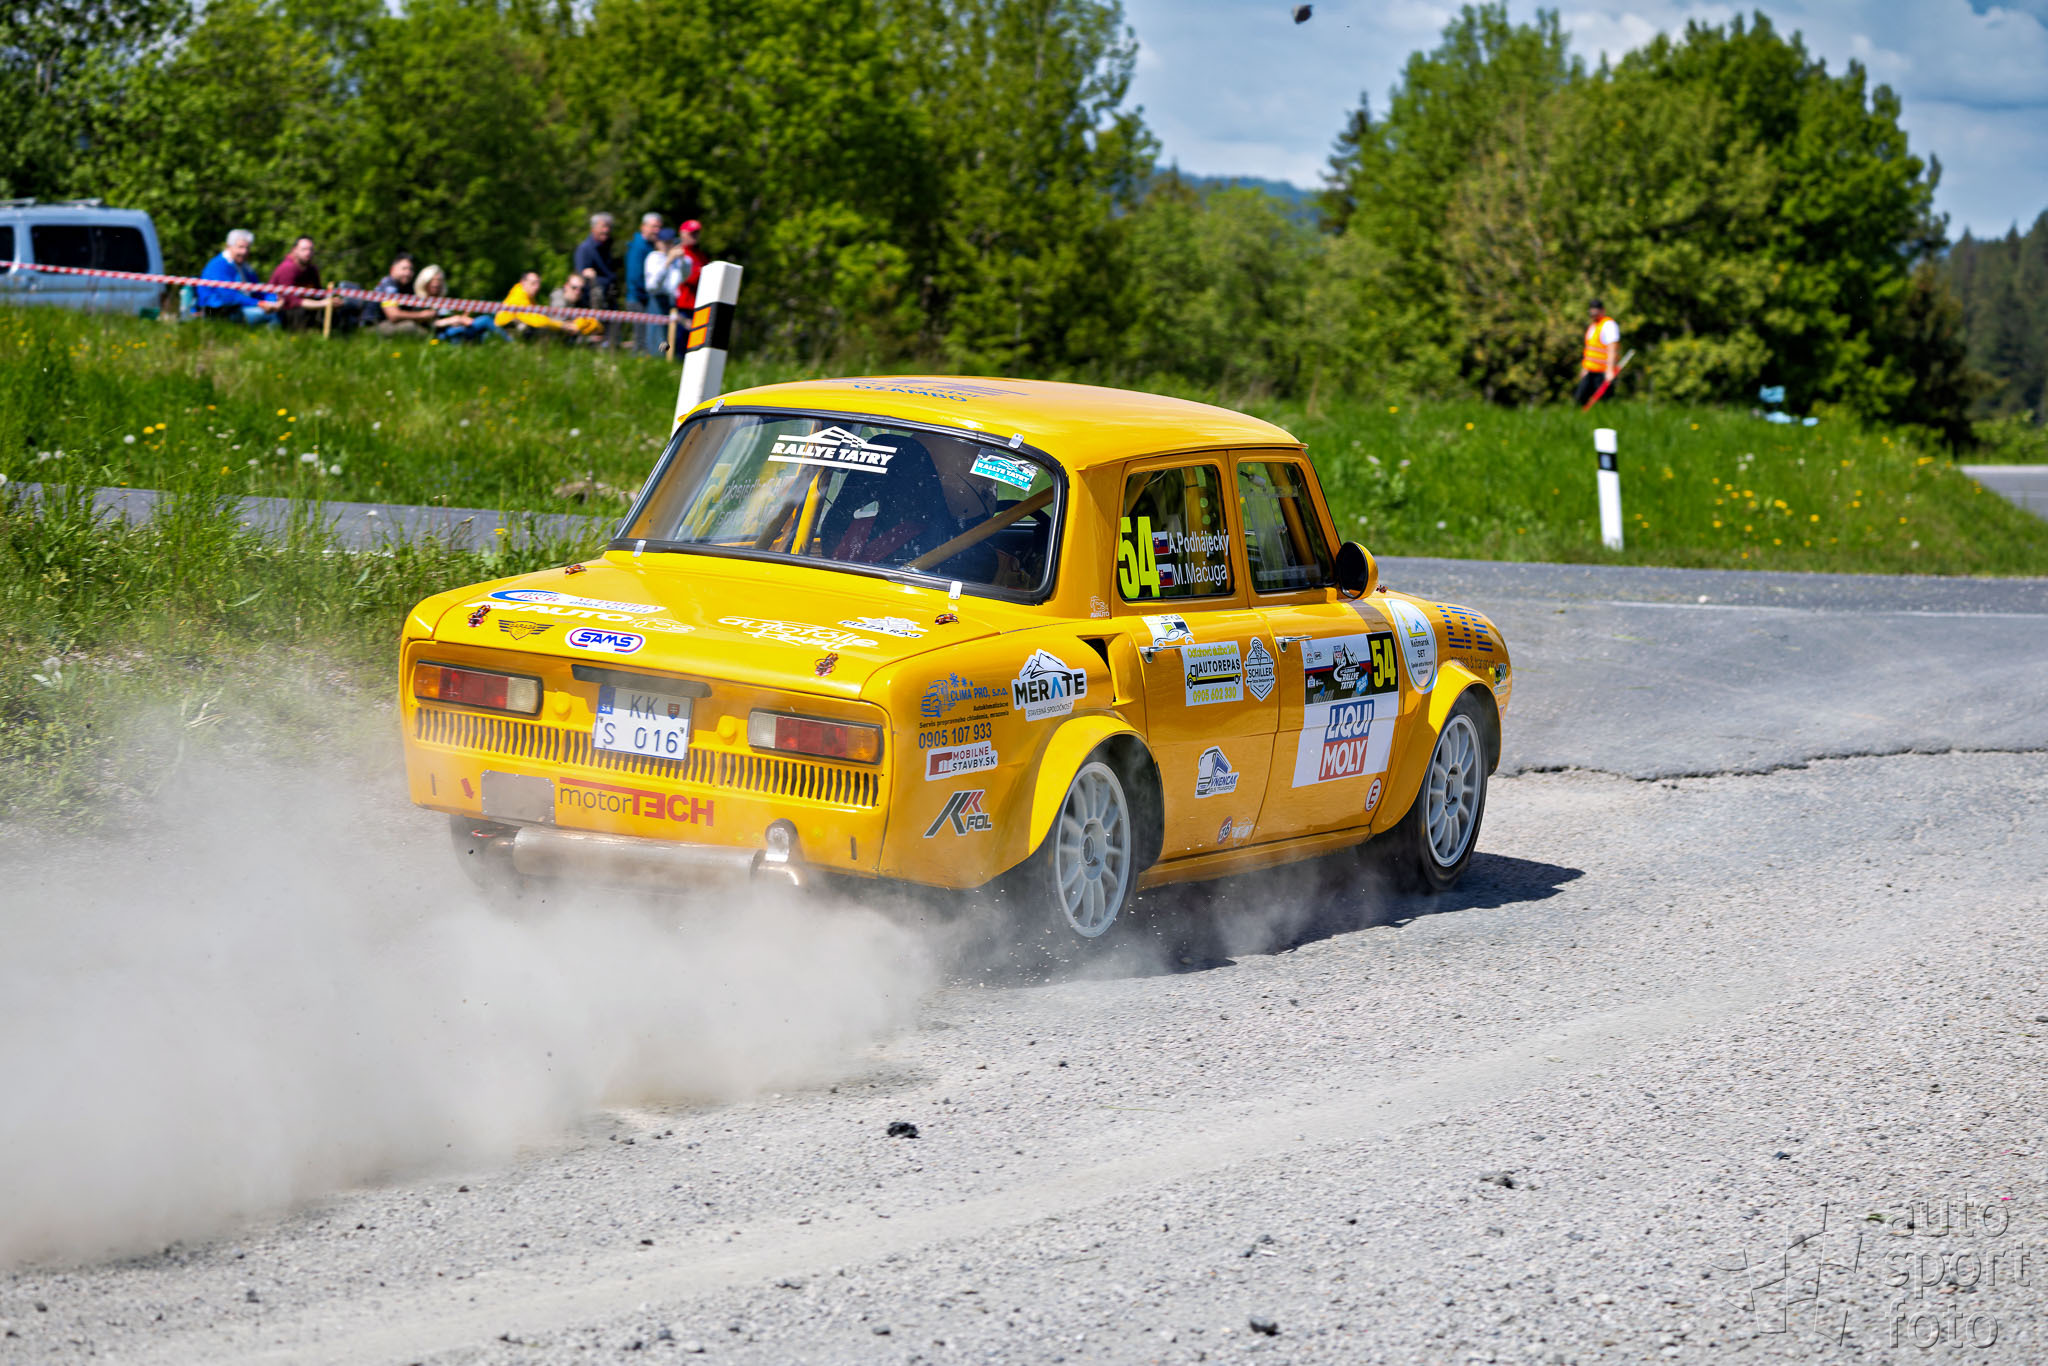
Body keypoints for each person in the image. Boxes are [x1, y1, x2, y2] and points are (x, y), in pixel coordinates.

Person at [196, 230, 280, 325]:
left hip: (240, 308)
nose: (244, 251)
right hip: (218, 311)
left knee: (277, 311)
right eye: (240, 247)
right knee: (272, 315)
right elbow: (230, 296)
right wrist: (260, 303)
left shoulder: (245, 267)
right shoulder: (218, 265)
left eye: (247, 248)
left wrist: (273, 301)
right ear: (228, 247)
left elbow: (258, 289)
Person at [413, 264, 502, 344]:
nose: (436, 284)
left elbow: (448, 318)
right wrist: (454, 320)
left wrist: (461, 318)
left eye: (439, 280)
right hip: (440, 336)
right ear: (425, 282)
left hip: (454, 330)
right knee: (485, 320)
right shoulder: (420, 301)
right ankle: (508, 343)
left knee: (483, 333)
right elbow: (428, 324)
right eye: (433, 280)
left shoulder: (441, 301)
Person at [266, 236, 329, 330]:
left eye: (311, 249)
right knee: (302, 311)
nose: (308, 253)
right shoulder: (287, 268)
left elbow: (318, 293)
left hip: (304, 307)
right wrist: (323, 303)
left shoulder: (312, 269)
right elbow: (292, 301)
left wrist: (330, 301)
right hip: (285, 311)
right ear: (294, 250)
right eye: (304, 249)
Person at [625, 212, 664, 354]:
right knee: (642, 340)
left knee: (649, 339)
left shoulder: (650, 246)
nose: (657, 230)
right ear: (643, 227)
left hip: (644, 298)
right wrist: (650, 293)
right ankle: (636, 362)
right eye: (653, 227)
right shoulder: (639, 247)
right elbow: (635, 277)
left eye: (659, 227)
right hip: (638, 299)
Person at [374, 253, 437, 335]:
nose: (408, 273)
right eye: (404, 269)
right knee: (411, 327)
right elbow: (393, 315)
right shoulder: (389, 285)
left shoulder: (405, 287)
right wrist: (422, 315)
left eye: (411, 269)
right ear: (392, 269)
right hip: (374, 325)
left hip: (386, 324)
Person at [1574, 298, 1620, 408]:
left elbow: (1612, 348)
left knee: (1604, 402)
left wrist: (1609, 370)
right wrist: (1585, 368)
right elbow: (1589, 350)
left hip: (1602, 372)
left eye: (1596, 311)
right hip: (1590, 371)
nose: (1593, 314)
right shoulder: (1593, 327)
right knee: (1580, 399)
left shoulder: (1608, 325)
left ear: (1602, 311)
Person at [545, 272, 604, 343]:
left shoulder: (578, 301)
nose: (577, 292)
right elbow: (562, 332)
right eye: (574, 288)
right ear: (566, 286)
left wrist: (593, 283)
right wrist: (588, 338)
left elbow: (597, 310)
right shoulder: (559, 300)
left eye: (581, 289)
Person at [673, 218, 708, 317]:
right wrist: (700, 273)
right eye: (691, 233)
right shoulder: (677, 252)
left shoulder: (701, 255)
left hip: (698, 304)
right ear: (682, 234)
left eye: (696, 233)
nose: (695, 236)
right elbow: (686, 278)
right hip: (681, 304)